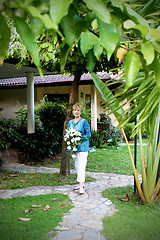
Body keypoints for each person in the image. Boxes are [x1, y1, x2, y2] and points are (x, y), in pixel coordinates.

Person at [67, 103, 91, 195]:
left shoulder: (84, 122)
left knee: (81, 166)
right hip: (74, 148)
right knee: (77, 166)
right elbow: (68, 133)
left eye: (78, 110)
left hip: (83, 147)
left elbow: (88, 135)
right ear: (72, 112)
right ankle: (80, 182)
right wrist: (71, 139)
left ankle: (81, 187)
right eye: (74, 110)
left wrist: (79, 138)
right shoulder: (70, 122)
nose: (76, 112)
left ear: (80, 112)